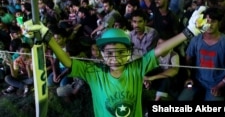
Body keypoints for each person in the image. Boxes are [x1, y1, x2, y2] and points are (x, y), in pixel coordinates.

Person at [24, 6, 208, 117]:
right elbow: (68, 61)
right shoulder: (93, 72)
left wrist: (188, 32)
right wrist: (48, 37)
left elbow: (158, 51)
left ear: (129, 53)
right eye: (109, 52)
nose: (115, 57)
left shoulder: (137, 67)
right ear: (102, 54)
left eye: (121, 52)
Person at [178, 7, 225, 101]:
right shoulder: (196, 39)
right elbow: (188, 59)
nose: (209, 24)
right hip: (196, 81)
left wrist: (220, 85)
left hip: (216, 83)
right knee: (182, 99)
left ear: (219, 23)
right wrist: (189, 77)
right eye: (206, 21)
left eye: (213, 21)